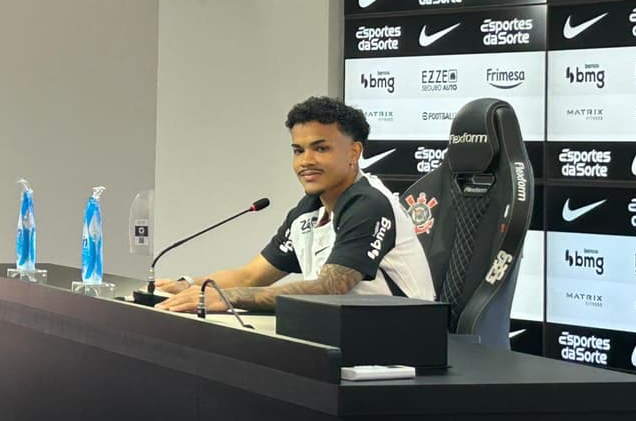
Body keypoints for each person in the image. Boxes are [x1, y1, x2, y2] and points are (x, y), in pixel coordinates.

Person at [156, 96, 434, 313]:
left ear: (354, 152)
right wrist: (188, 286)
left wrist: (227, 297)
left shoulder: (369, 204)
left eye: (321, 148)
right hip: (340, 335)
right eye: (298, 151)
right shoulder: (309, 209)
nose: (306, 161)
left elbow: (331, 288)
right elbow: (251, 276)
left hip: (400, 347)